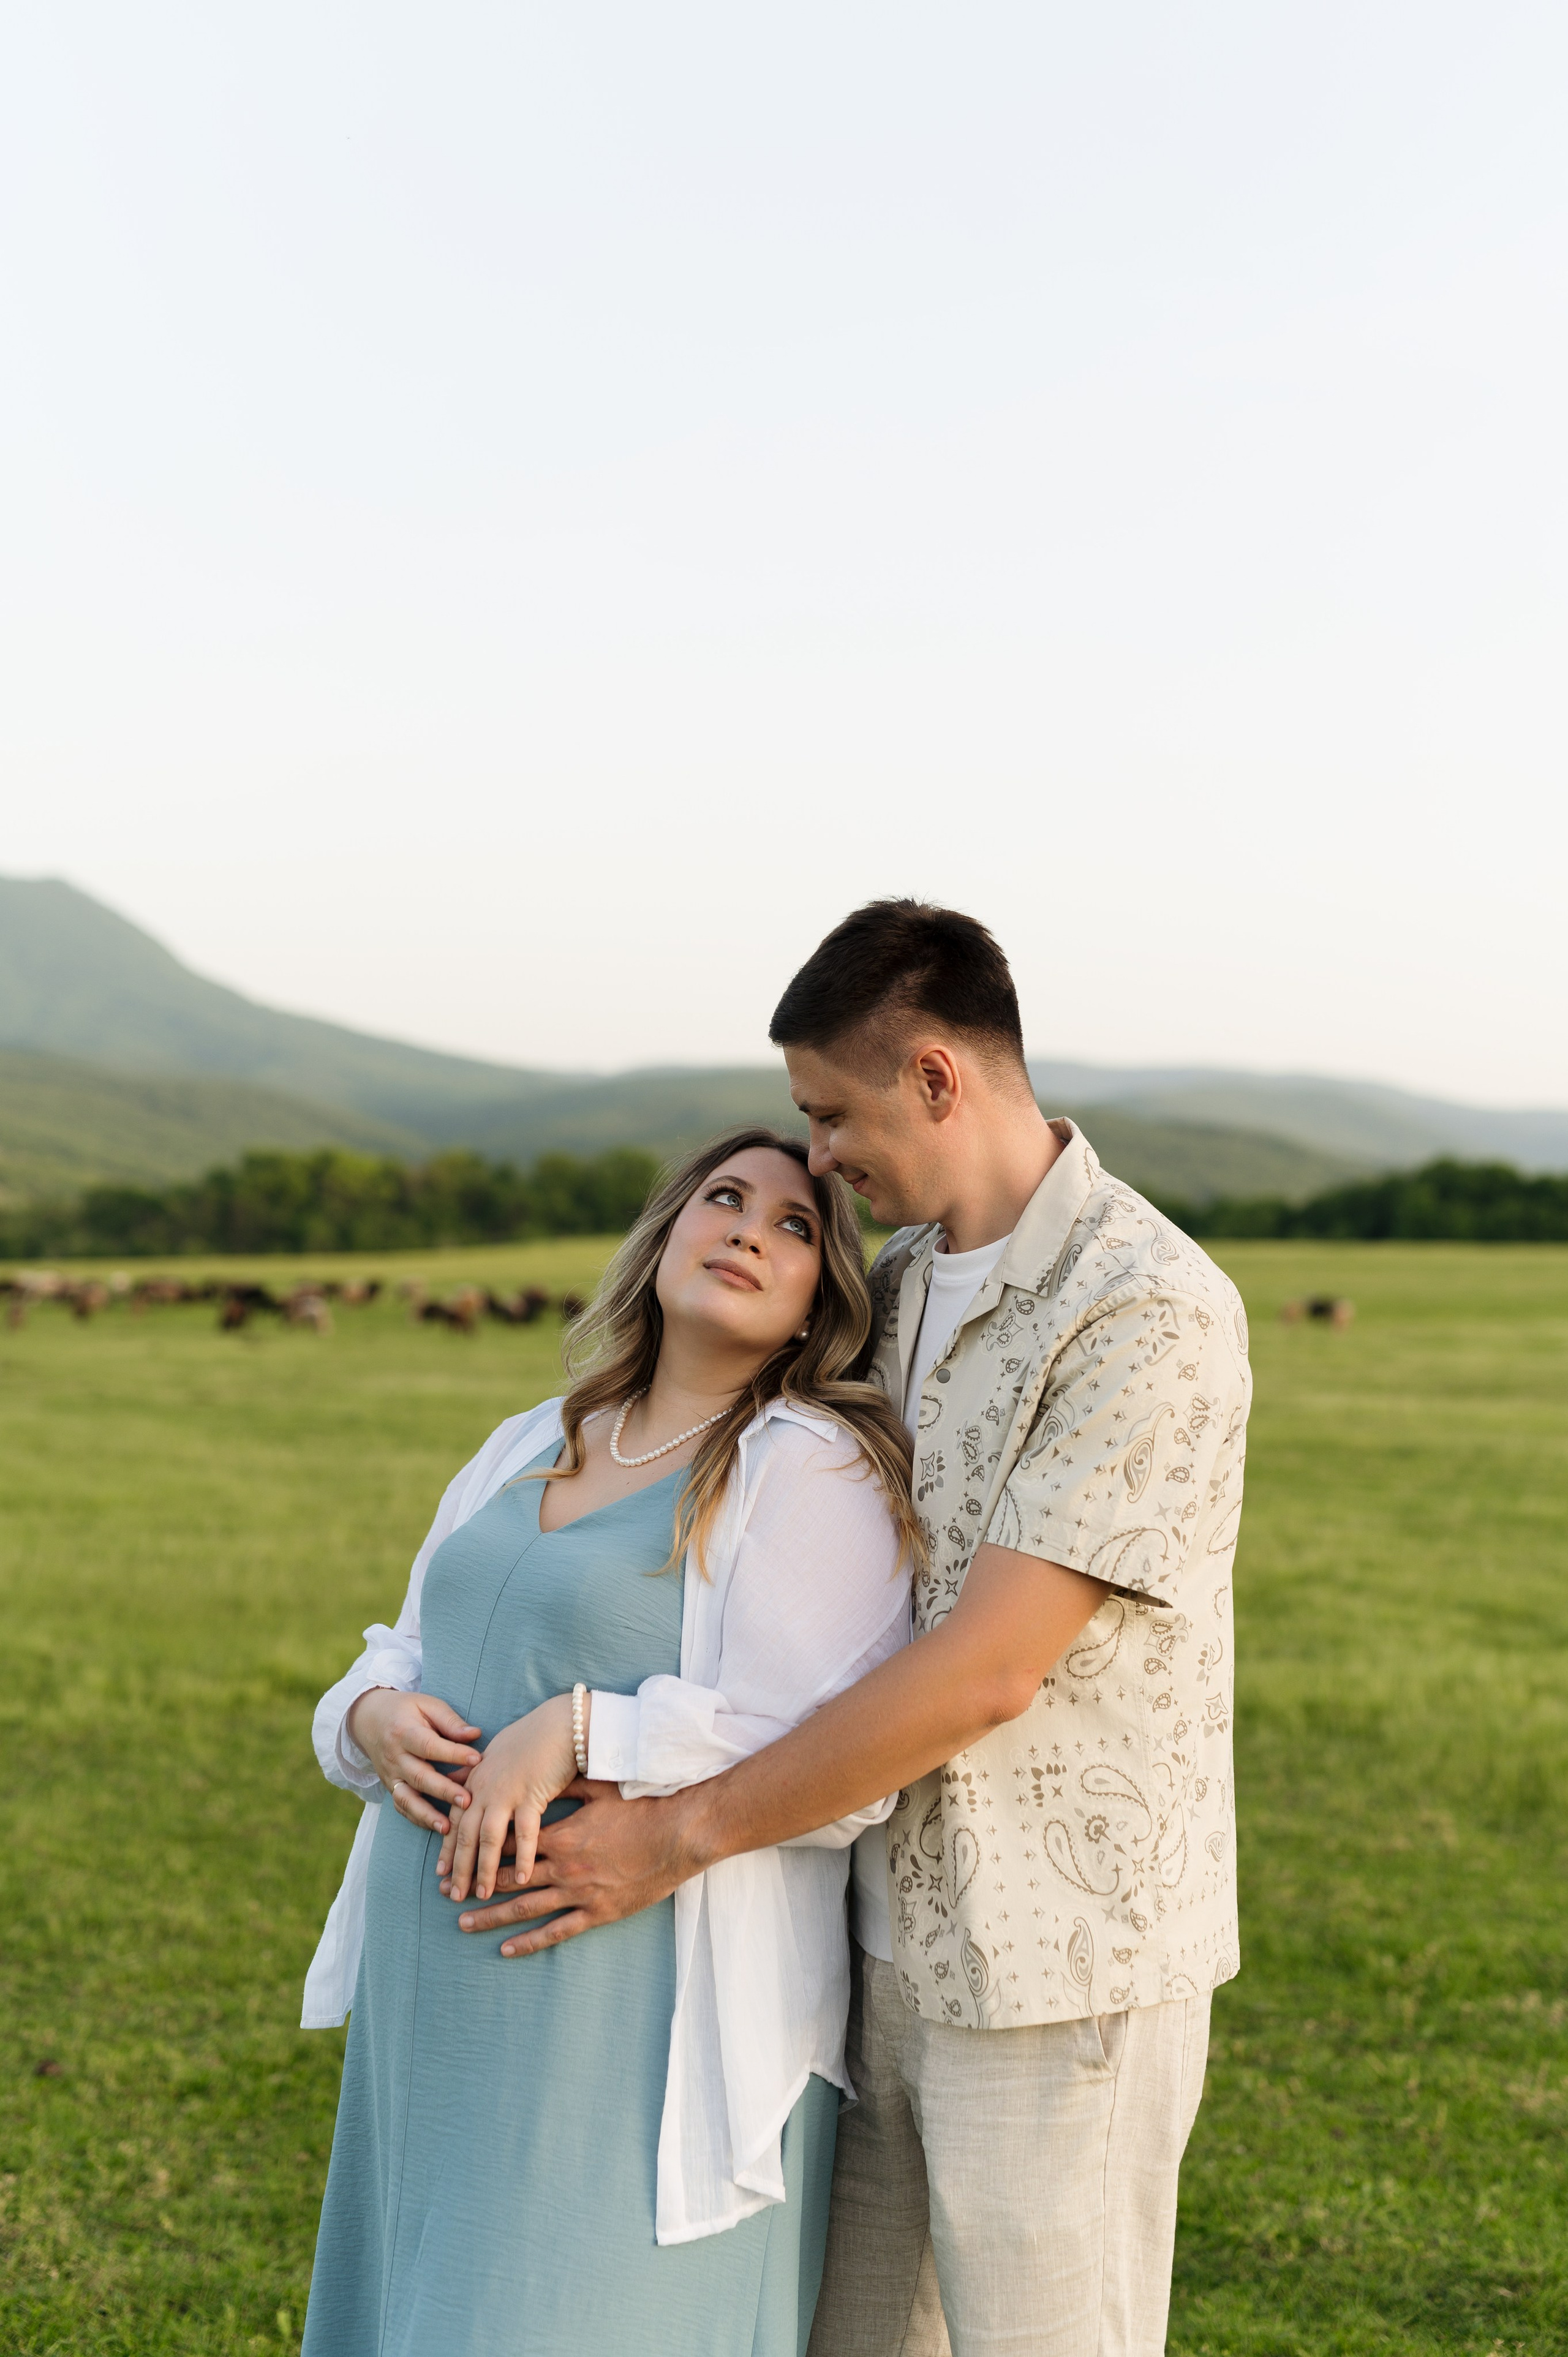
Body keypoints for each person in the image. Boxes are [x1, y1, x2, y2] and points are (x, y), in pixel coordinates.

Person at [454, 902, 1253, 2357]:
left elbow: (988, 1668)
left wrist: (672, 1833)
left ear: (935, 1077)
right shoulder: (892, 1288)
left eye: (829, 1114)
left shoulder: (1149, 1310)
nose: (816, 1156)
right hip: (864, 1943)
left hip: (1056, 1971)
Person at [298, 1127, 924, 2357]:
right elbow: (401, 1648)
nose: (747, 1231)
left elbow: (837, 1756)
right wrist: (369, 1717)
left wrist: (589, 1728)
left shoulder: (810, 1467)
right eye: (723, 1198)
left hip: (629, 2013)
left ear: (821, 1300)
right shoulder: (531, 1436)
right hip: (437, 1998)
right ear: (664, 1236)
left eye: (795, 1226)